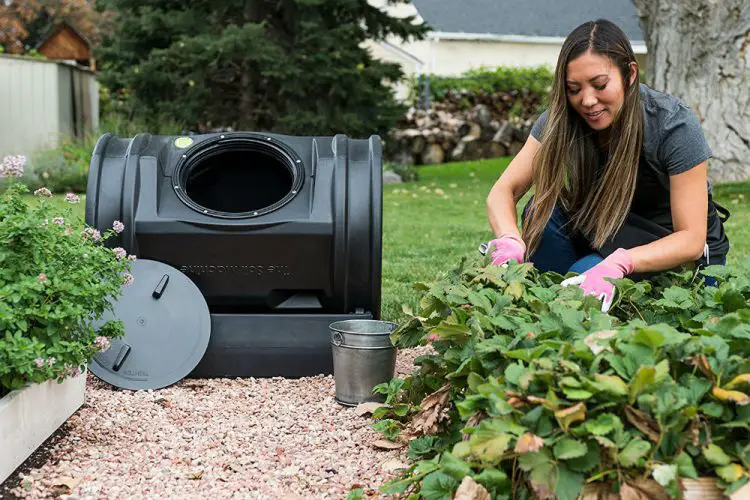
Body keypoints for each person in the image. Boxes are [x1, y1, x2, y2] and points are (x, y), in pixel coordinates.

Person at [484, 19, 730, 312]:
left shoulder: (672, 125)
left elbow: (691, 239)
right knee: (541, 212)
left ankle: (571, 289)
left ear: (630, 74)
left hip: (662, 243)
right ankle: (558, 289)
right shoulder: (561, 119)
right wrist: (510, 238)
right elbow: (503, 191)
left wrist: (622, 262)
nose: (587, 101)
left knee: (579, 294)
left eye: (600, 85)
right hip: (603, 226)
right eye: (573, 89)